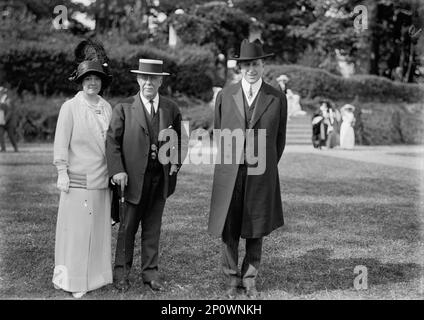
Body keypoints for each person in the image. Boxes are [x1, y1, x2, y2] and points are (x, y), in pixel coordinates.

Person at [208, 39, 288, 298]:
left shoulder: (276, 97)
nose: (251, 69)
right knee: (228, 226)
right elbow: (220, 132)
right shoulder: (226, 94)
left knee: (256, 225)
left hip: (261, 171)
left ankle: (250, 278)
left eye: (255, 63)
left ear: (263, 65)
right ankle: (231, 279)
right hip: (231, 170)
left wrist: (264, 164)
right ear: (239, 67)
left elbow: (280, 139)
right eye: (246, 64)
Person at [106, 59, 183, 292]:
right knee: (127, 228)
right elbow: (112, 142)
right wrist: (117, 170)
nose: (148, 82)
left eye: (153, 78)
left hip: (159, 180)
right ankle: (121, 273)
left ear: (161, 81)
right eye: (144, 78)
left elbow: (180, 140)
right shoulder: (124, 107)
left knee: (152, 228)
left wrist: (175, 163)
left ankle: (150, 273)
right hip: (131, 179)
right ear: (138, 80)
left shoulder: (171, 108)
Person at [52, 60, 113, 298]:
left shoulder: (107, 107)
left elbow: (112, 143)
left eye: (96, 78)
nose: (92, 82)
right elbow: (61, 142)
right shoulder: (70, 107)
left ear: (102, 82)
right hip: (77, 179)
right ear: (80, 81)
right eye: (87, 78)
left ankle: (97, 277)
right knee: (77, 234)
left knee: (98, 231)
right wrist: (61, 171)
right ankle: (74, 280)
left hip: (102, 178)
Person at [0, 86, 19, 152]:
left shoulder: (8, 100)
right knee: (0, 134)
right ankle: (3, 148)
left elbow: (10, 111)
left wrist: (5, 119)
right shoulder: (0, 100)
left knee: (11, 135)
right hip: (1, 121)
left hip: (9, 121)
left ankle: (15, 148)